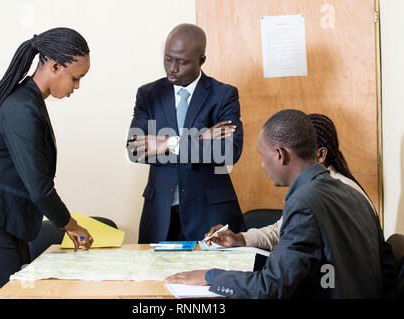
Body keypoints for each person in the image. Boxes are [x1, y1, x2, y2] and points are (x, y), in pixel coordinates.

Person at [166, 109, 396, 298]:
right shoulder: (350, 191)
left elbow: (271, 287)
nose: (263, 165)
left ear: (279, 155)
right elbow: (384, 266)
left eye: (262, 156)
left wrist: (211, 276)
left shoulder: (305, 201)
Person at [0, 27, 93, 299]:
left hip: (7, 226)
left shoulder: (29, 101)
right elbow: (39, 187)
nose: (76, 87)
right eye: (76, 78)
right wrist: (70, 225)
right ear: (55, 66)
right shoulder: (21, 107)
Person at [127, 23, 246, 243]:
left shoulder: (223, 95)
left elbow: (228, 151)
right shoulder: (148, 94)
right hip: (160, 215)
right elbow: (135, 149)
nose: (172, 68)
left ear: (201, 60)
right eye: (168, 59)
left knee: (215, 277)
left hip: (210, 214)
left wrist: (166, 143)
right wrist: (200, 139)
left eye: (182, 62)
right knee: (155, 277)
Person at [204, 113, 377, 250]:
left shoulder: (326, 193)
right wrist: (240, 238)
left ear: (320, 154)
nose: (267, 163)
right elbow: (281, 231)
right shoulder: (315, 187)